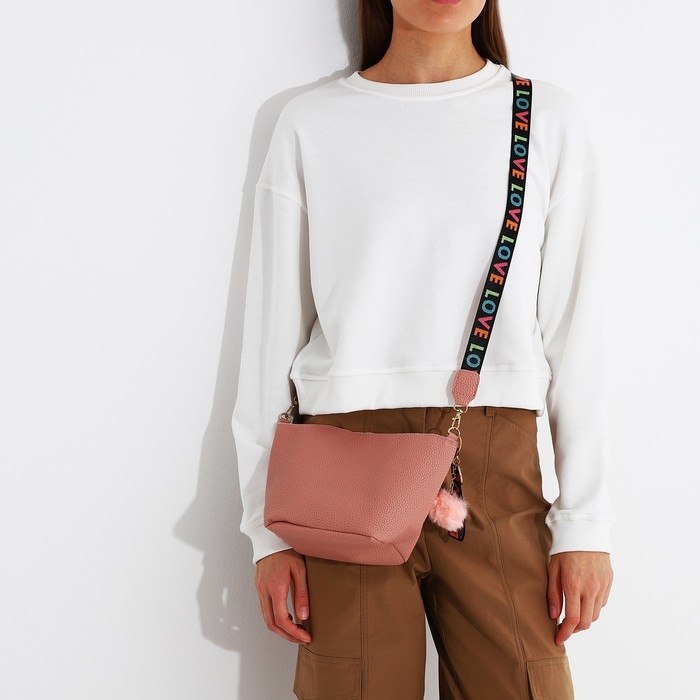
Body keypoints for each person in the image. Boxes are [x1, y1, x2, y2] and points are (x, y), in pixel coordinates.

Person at [232, 1, 615, 697]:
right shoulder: (311, 123)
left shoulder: (544, 118)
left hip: (497, 464)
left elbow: (577, 334)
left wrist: (584, 524)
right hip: (343, 469)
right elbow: (270, 338)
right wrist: (268, 529)